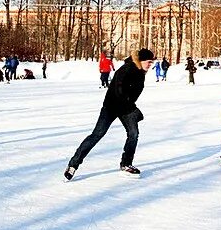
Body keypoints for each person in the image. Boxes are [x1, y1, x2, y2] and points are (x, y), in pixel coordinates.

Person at [64, 48, 155, 181]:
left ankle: (126, 164)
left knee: (133, 134)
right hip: (112, 107)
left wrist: (131, 108)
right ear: (140, 60)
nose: (150, 65)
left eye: (151, 62)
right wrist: (132, 109)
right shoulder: (127, 69)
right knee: (97, 134)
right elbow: (119, 91)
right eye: (148, 62)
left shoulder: (140, 72)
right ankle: (73, 165)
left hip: (126, 108)